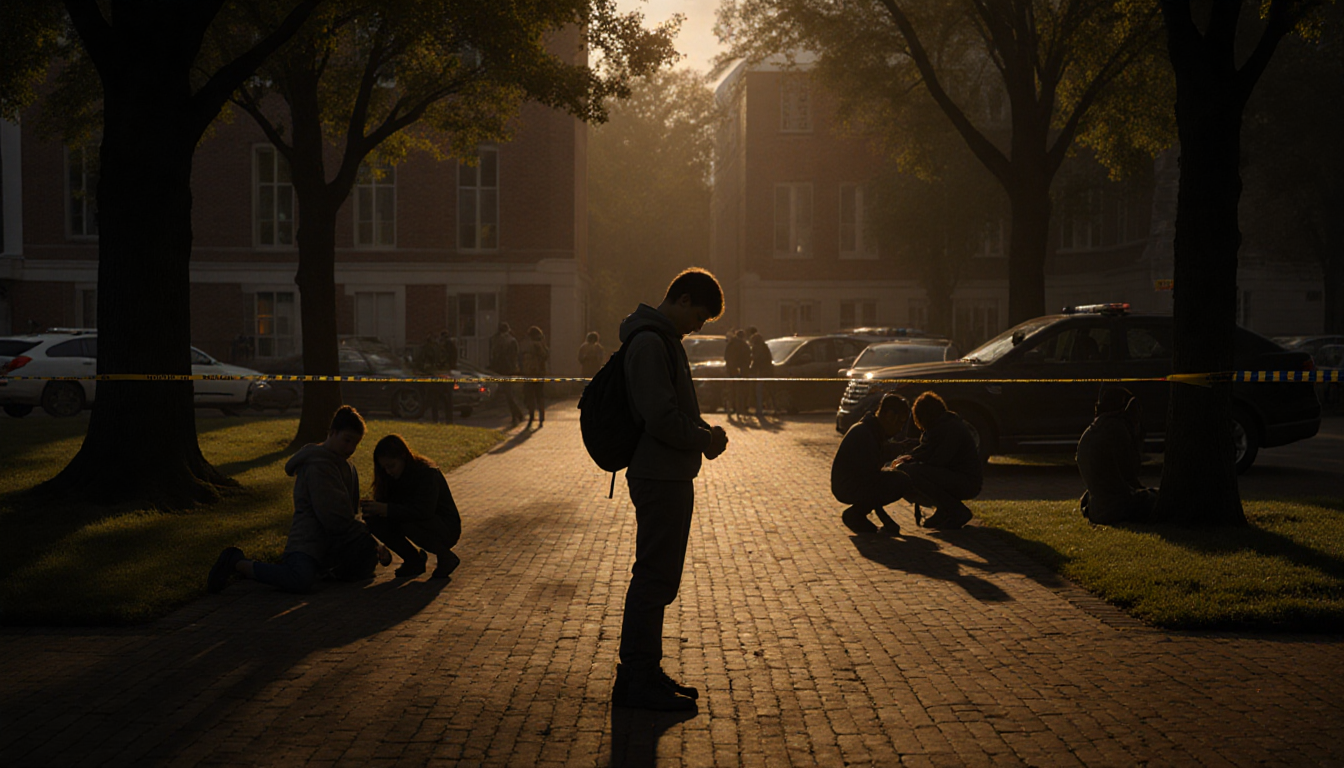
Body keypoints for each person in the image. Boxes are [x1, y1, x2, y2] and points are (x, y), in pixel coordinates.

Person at [612, 267, 729, 712]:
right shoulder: (649, 342)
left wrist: (701, 432)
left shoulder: (662, 341)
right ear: (681, 300)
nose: (697, 328)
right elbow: (659, 417)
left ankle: (644, 671)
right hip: (658, 475)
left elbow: (669, 410)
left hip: (670, 474)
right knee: (654, 578)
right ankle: (635, 678)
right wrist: (704, 439)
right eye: (698, 317)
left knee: (660, 578)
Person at [208, 406, 384, 593]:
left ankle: (325, 569)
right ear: (332, 433)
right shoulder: (318, 465)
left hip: (332, 543)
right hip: (307, 542)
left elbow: (346, 515)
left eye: (355, 444)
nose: (350, 449)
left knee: (364, 563)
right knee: (300, 579)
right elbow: (334, 517)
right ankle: (237, 563)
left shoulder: (346, 466)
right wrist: (372, 541)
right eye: (346, 440)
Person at [360, 434, 463, 578]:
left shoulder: (427, 473)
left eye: (391, 466)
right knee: (375, 518)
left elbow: (424, 510)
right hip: (415, 520)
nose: (388, 472)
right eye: (384, 468)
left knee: (406, 519)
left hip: (445, 526)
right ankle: (413, 560)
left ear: (403, 456)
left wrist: (386, 509)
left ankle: (445, 556)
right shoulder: (389, 478)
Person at [891, 392, 982, 529]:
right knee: (907, 470)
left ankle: (956, 510)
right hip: (959, 478)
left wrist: (913, 461)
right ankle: (944, 510)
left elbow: (938, 460)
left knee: (912, 473)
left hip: (966, 482)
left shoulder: (950, 429)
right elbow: (927, 452)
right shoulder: (941, 427)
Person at [831, 394, 918, 535]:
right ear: (889, 415)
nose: (900, 428)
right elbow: (872, 481)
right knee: (900, 481)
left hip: (852, 482)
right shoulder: (866, 435)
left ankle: (858, 515)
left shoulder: (870, 429)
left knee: (893, 478)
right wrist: (887, 521)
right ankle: (855, 514)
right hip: (848, 486)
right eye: (900, 422)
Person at [1076, 387, 1157, 524]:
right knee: (1158, 496)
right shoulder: (1117, 430)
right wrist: (1136, 436)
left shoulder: (1091, 431)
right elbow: (1131, 475)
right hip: (1117, 508)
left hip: (1097, 508)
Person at [489, 322, 525, 426]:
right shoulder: (511, 340)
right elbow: (515, 357)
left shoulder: (497, 340)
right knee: (508, 394)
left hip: (501, 370)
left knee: (508, 394)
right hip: (508, 370)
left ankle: (517, 415)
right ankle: (517, 414)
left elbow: (495, 355)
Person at [415, 332, 453, 425]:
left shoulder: (428, 349)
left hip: (434, 376)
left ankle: (434, 419)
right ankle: (448, 419)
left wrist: (423, 371)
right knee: (446, 399)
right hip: (444, 376)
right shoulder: (442, 349)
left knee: (433, 398)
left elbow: (421, 362)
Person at [519, 325, 550, 426]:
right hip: (539, 373)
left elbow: (521, 358)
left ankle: (531, 416)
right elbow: (545, 357)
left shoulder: (527, 345)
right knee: (539, 395)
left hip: (529, 373)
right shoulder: (542, 345)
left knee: (530, 396)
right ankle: (541, 416)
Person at [724, 329, 753, 417]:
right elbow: (747, 358)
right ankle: (742, 407)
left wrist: (731, 368)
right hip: (742, 371)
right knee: (742, 390)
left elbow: (727, 357)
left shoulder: (731, 344)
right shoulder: (744, 345)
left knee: (732, 390)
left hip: (732, 370)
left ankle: (732, 407)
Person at [749, 332, 773, 418]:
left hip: (759, 372)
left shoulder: (757, 348)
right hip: (765, 371)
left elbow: (756, 360)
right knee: (763, 391)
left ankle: (759, 410)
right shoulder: (765, 347)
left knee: (758, 391)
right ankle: (765, 408)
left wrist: (751, 368)